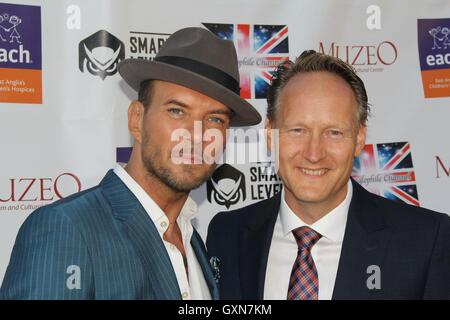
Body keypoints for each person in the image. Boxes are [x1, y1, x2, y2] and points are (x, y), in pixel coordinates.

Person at [0, 27, 261, 299]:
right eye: (176, 111)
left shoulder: (193, 239)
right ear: (136, 119)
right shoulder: (66, 229)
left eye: (215, 119)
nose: (196, 134)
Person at [207, 50, 450, 300]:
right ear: (270, 134)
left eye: (334, 132)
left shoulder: (425, 242)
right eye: (298, 130)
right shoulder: (227, 234)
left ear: (359, 138)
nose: (314, 153)